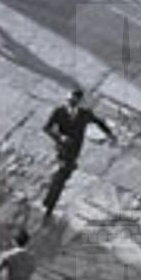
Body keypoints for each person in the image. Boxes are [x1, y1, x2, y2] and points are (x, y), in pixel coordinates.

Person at [42, 85, 116, 216]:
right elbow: (46, 128)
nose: (71, 103)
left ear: (78, 102)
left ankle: (50, 201)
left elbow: (99, 122)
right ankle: (49, 203)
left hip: (75, 150)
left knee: (63, 176)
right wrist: (60, 137)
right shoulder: (59, 112)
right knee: (61, 176)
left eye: (74, 101)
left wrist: (110, 134)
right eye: (70, 100)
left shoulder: (84, 114)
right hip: (62, 148)